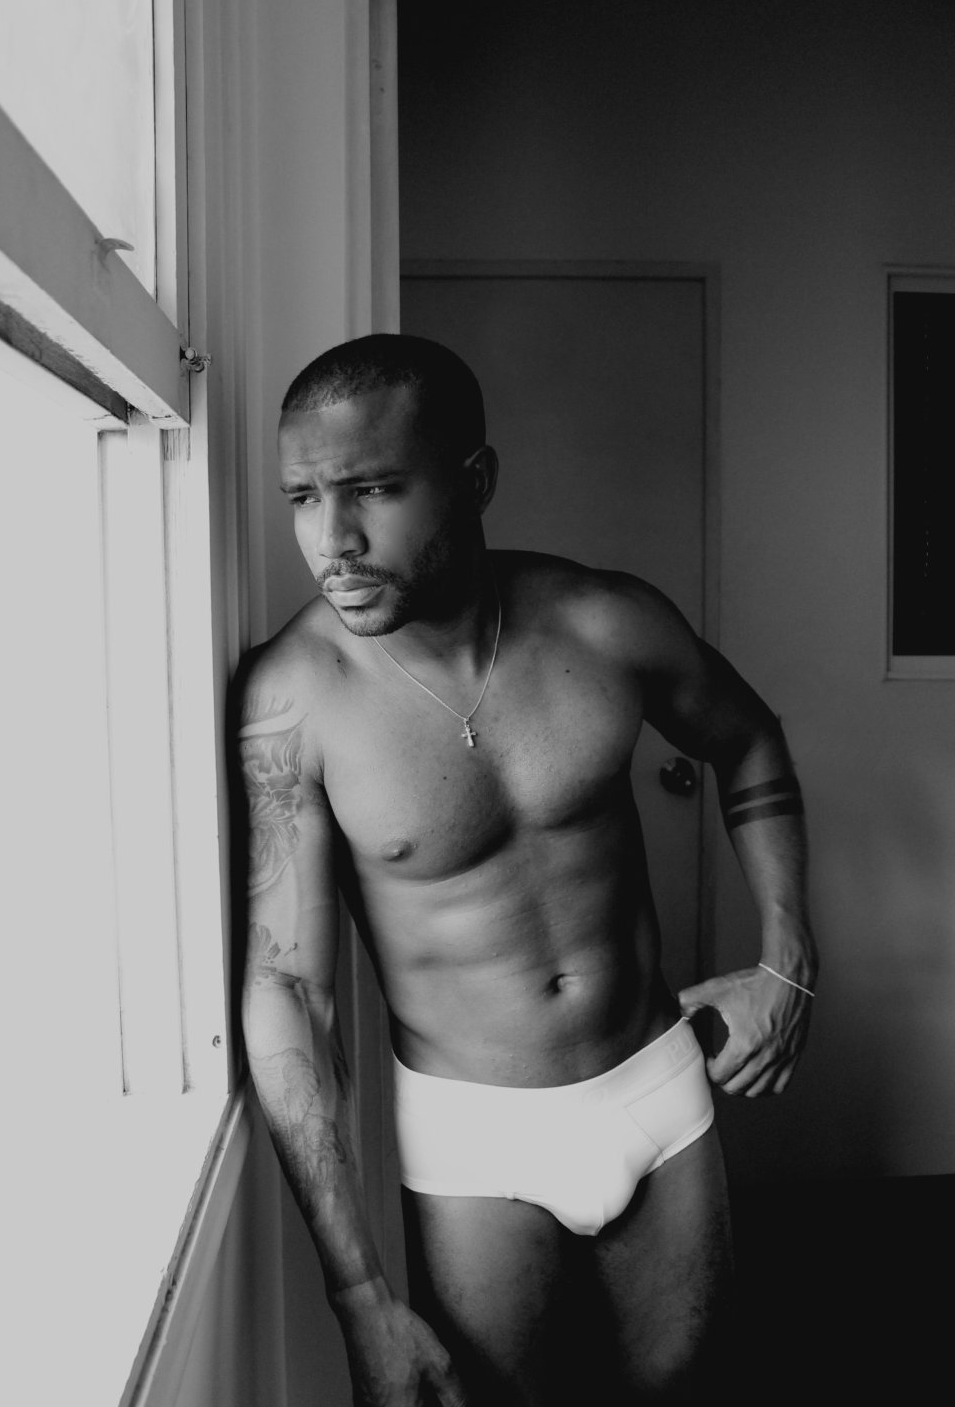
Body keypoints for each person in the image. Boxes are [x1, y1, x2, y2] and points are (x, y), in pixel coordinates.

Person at [237, 333, 817, 1406]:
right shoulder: (295, 701)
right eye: (305, 498)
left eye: (374, 490)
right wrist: (359, 1293)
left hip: (655, 1088)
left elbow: (747, 739)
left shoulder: (605, 622)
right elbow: (285, 988)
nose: (334, 540)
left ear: (475, 480)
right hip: (475, 1140)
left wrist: (787, 960)